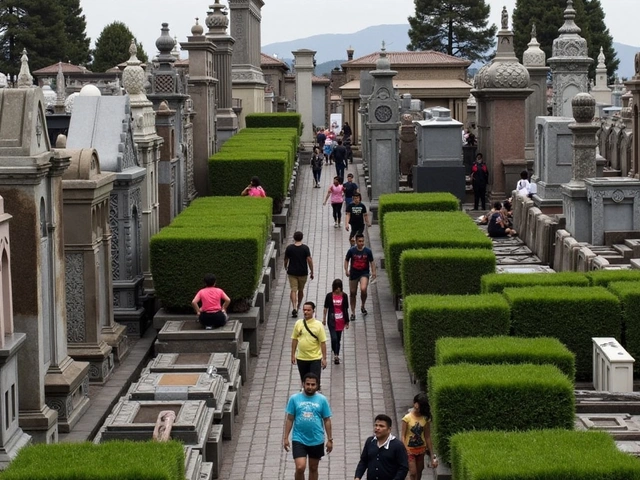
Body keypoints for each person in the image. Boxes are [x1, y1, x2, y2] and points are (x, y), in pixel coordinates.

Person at [283, 372, 333, 480]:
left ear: (317, 385)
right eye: (308, 384)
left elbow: (327, 420)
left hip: (316, 439)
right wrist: (286, 437)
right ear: (303, 384)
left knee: (313, 467)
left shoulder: (322, 400)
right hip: (299, 438)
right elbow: (290, 418)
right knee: (300, 467)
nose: (310, 387)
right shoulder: (294, 399)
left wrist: (330, 439)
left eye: (313, 385)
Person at [354, 414, 409, 480]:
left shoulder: (397, 446)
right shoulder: (370, 441)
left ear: (389, 429)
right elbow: (363, 461)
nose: (377, 428)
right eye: (376, 425)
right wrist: (357, 477)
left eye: (381, 426)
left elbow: (403, 467)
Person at [401, 393, 438, 480]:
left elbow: (427, 436)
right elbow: (403, 436)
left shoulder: (425, 419)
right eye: (416, 404)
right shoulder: (407, 418)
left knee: (419, 471)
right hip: (409, 450)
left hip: (421, 449)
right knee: (413, 473)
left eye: (420, 406)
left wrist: (432, 454)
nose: (417, 407)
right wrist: (405, 449)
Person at [291, 302, 327, 386]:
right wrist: (293, 354)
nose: (306, 312)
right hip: (301, 358)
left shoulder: (318, 325)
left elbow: (323, 343)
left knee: (315, 380)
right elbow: (294, 339)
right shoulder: (298, 324)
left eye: (308, 310)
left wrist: (324, 358)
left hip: (315, 358)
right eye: (304, 310)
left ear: (313, 311)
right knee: (304, 380)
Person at [344, 233, 376, 321]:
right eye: (359, 241)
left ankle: (363, 305)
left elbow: (372, 262)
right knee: (352, 293)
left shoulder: (368, 251)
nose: (361, 243)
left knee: (363, 288)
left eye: (362, 241)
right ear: (356, 241)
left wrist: (373, 272)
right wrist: (346, 270)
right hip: (354, 273)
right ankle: (353, 312)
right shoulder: (351, 250)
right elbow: (346, 260)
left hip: (364, 273)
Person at [284, 231, 314, 318]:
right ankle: (298, 307)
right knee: (301, 290)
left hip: (292, 272)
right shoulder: (305, 248)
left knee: (293, 289)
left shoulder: (289, 248)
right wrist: (312, 271)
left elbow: (286, 259)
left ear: (294, 238)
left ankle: (293, 306)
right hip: (303, 272)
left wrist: (285, 266)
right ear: (301, 238)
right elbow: (309, 260)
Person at [322, 279, 350, 365]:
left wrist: (347, 321)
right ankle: (335, 354)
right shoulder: (329, 296)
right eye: (336, 288)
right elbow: (326, 308)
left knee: (338, 338)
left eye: (339, 287)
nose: (338, 289)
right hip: (332, 320)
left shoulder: (344, 296)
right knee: (333, 338)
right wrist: (324, 319)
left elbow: (345, 309)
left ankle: (336, 354)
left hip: (341, 320)